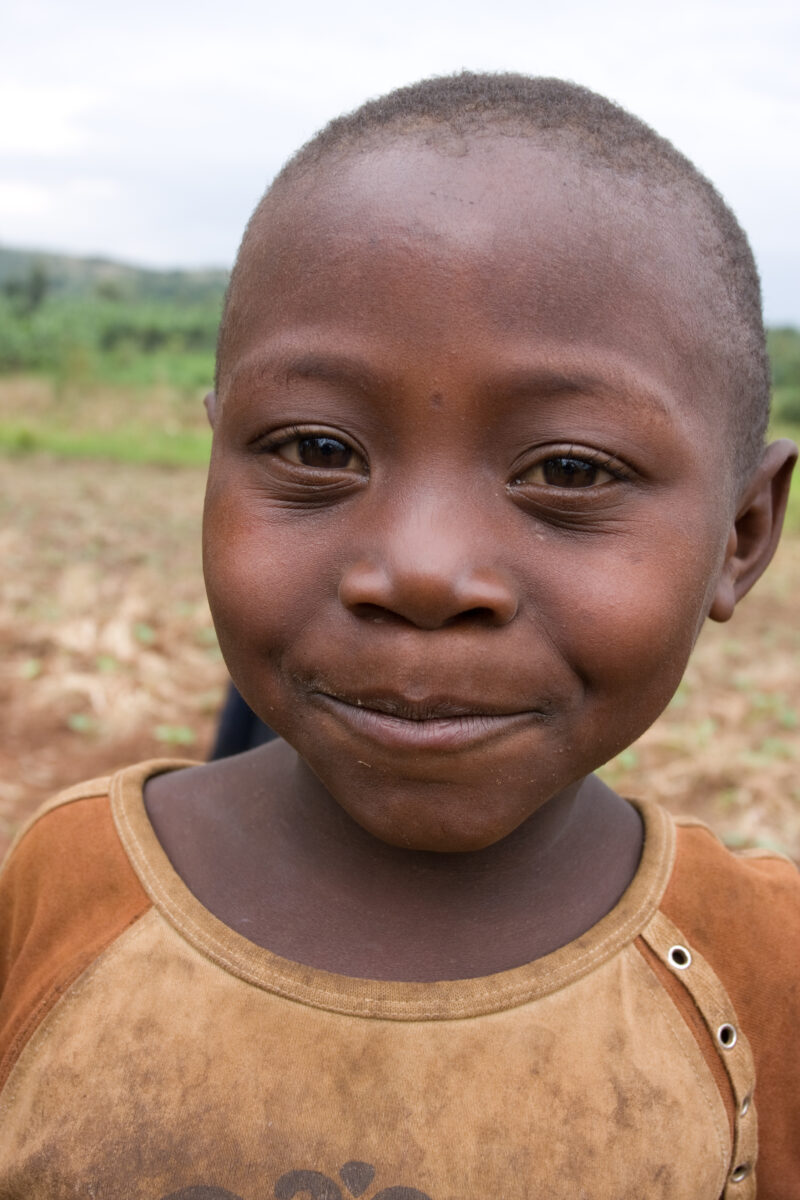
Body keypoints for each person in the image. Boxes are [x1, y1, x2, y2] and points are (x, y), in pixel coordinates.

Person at [0, 73, 798, 1199]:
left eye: (566, 471)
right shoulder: (68, 882)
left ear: (740, 533)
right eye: (317, 451)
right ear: (214, 457)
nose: (421, 570)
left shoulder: (762, 971)